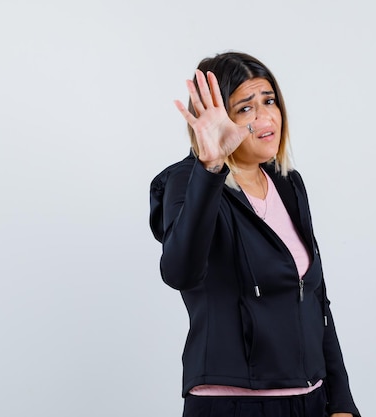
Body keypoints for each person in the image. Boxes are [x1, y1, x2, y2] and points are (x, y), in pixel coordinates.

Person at [149, 51, 361, 417]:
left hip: (310, 399)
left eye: (269, 101)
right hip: (233, 403)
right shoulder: (187, 180)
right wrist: (210, 167)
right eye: (245, 108)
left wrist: (341, 403)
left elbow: (316, 300)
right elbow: (179, 272)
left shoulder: (288, 184)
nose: (265, 117)